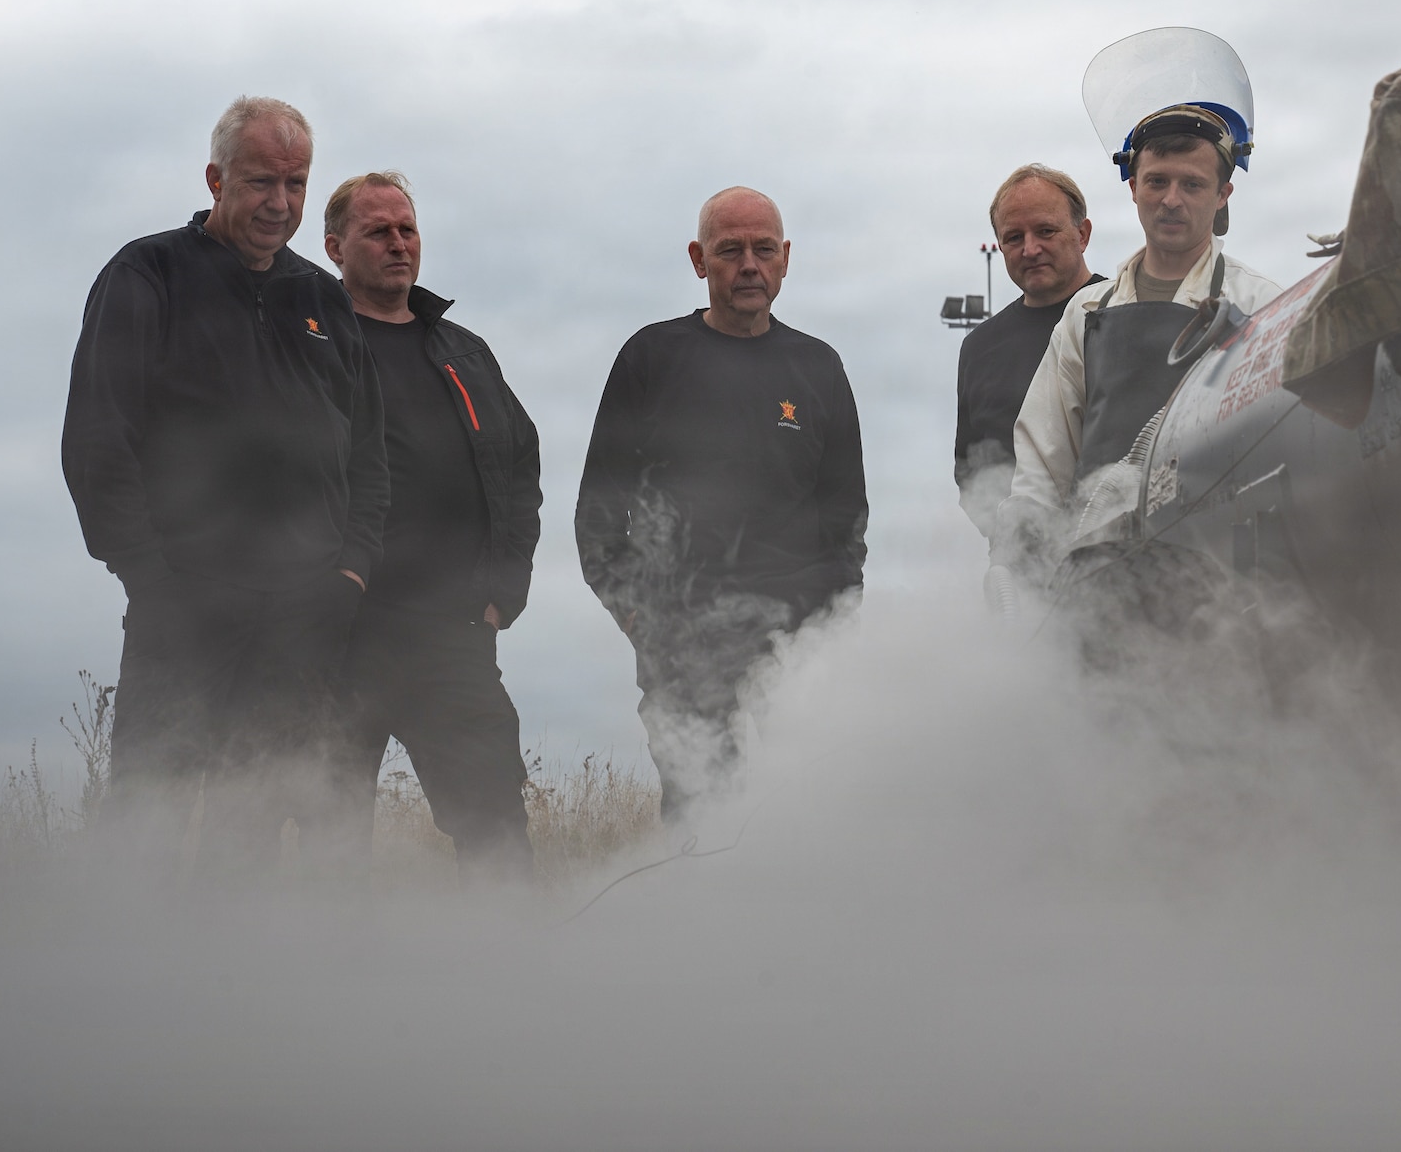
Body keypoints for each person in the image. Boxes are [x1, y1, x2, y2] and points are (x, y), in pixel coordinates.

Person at [61, 96, 387, 872]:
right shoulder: (148, 272)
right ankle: (125, 980)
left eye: (297, 184)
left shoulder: (322, 298)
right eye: (259, 182)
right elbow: (98, 438)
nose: (280, 204)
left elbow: (370, 455)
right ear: (215, 178)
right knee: (151, 807)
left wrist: (351, 570)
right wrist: (150, 573)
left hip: (303, 618)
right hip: (183, 609)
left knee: (258, 817)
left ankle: (231, 983)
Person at [577, 187, 867, 822]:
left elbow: (845, 519)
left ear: (786, 258)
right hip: (682, 641)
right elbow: (600, 507)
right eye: (729, 250)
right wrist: (638, 614)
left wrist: (833, 628)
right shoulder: (650, 358)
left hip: (797, 644)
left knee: (807, 810)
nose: (749, 266)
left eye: (764, 250)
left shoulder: (818, 367)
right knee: (702, 812)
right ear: (697, 259)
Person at [326, 171, 541, 880]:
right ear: (335, 246)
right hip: (340, 633)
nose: (397, 243)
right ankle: (321, 980)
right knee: (328, 825)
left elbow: (519, 461)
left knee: (495, 825)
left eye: (407, 229)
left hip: (452, 632)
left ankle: (509, 968)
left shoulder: (463, 351)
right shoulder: (314, 342)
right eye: (377, 231)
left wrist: (503, 589)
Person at [998, 104, 1280, 572]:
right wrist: (1016, 561)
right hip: (1096, 584)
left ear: (1223, 194)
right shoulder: (1087, 313)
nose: (1172, 199)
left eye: (1192, 184)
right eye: (1157, 181)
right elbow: (1043, 464)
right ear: (1133, 188)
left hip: (1225, 585)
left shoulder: (1259, 306)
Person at [953, 165, 1103, 533]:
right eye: (1014, 237)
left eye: (1046, 231)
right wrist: (1017, 543)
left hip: (1116, 563)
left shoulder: (1123, 312)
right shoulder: (979, 348)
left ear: (1082, 234)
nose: (1030, 249)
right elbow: (970, 472)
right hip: (1020, 574)